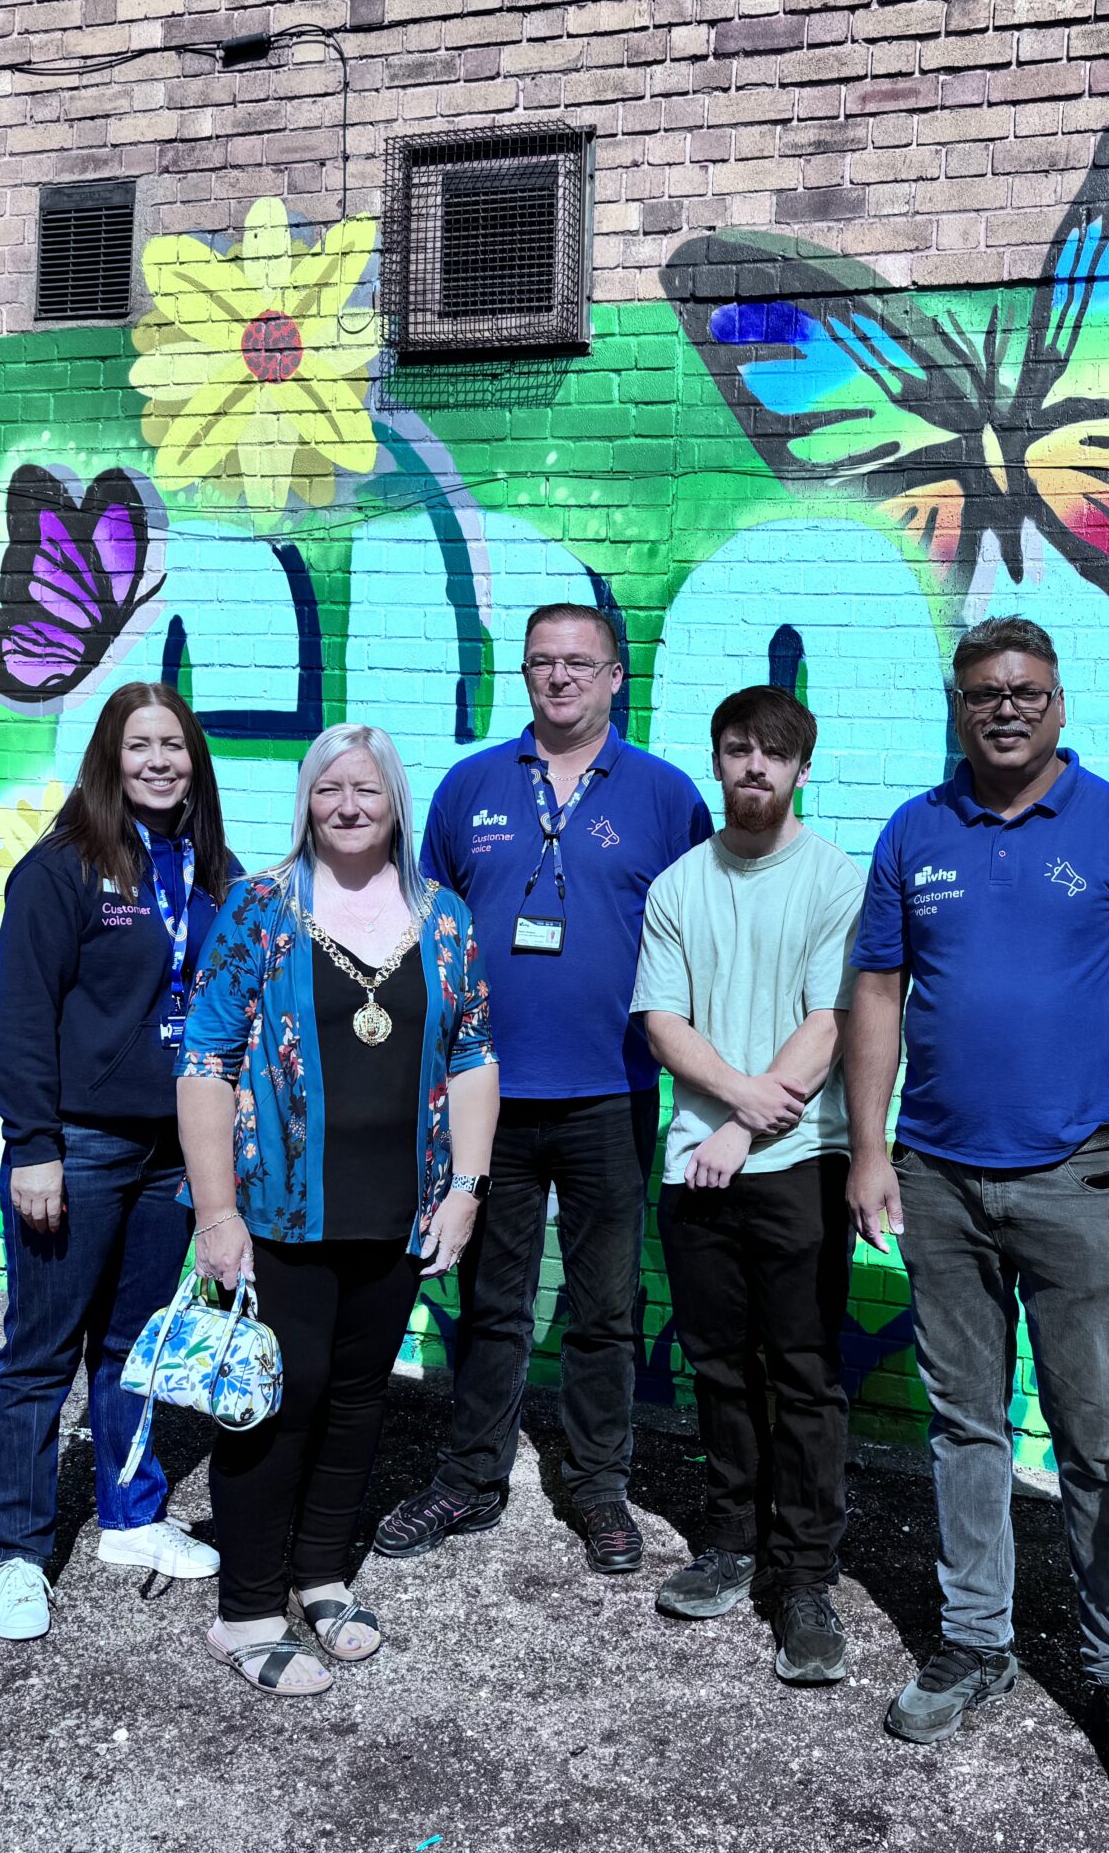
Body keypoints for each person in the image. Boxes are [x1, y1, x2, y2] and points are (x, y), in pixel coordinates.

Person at [844, 615, 1109, 1799]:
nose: (1005, 708)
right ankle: (975, 1644)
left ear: (1057, 703)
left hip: (1075, 1177)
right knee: (965, 1425)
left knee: (1098, 1436)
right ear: (957, 702)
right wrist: (868, 1151)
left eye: (1026, 691)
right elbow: (877, 999)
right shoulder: (914, 832)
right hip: (936, 1174)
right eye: (985, 691)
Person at [375, 602, 712, 1575]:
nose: (558, 678)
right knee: (492, 1301)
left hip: (612, 1092)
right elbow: (421, 931)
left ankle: (598, 1487)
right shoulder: (470, 785)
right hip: (488, 1099)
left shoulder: (665, 797)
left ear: (615, 677)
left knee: (606, 1307)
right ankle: (470, 1477)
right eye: (541, 664)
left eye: (579, 663)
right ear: (524, 676)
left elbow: (693, 936)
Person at [175, 724, 498, 1697]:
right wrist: (215, 1212)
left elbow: (474, 1054)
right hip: (277, 1213)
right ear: (307, 802)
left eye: (367, 789)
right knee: (277, 1400)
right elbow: (205, 1059)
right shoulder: (261, 908)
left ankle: (319, 1575)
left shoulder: (442, 917)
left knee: (359, 1402)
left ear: (396, 800)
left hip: (400, 1212)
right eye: (329, 791)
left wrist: (470, 1187)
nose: (349, 806)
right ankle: (245, 1613)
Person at [0, 681, 236, 1642]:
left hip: (175, 1154)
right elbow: (23, 1017)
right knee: (38, 1356)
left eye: (174, 745)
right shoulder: (62, 869)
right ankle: (14, 1551)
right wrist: (33, 1146)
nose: (161, 761)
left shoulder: (211, 871)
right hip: (80, 1148)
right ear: (110, 759)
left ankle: (131, 1519)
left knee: (136, 1347)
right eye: (141, 747)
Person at [633, 685, 866, 1684]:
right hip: (699, 1168)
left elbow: (831, 1023)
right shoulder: (679, 886)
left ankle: (806, 1578)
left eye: (775, 754)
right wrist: (726, 1118)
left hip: (801, 1166)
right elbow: (662, 1023)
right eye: (739, 751)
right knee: (719, 1368)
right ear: (718, 761)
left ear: (802, 769)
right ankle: (729, 1543)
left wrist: (741, 1126)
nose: (755, 769)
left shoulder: (834, 882)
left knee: (804, 1376)